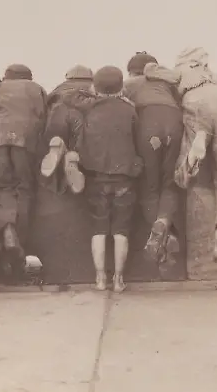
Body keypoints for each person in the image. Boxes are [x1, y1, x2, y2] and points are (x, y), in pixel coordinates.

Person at [144, 47, 217, 262]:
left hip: (196, 106)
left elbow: (150, 70)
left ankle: (194, 152)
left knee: (179, 177)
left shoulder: (183, 71)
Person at [61, 66, 142, 292]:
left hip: (95, 176)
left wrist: (92, 92)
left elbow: (68, 96)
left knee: (98, 229)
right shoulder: (130, 110)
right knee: (121, 230)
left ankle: (99, 279)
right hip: (124, 177)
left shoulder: (89, 106)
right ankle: (118, 279)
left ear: (95, 86)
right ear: (121, 86)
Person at [123, 52, 184, 268]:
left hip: (149, 126)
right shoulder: (166, 83)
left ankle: (160, 234)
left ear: (131, 70)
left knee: (149, 186)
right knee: (169, 183)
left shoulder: (129, 83)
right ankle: (165, 223)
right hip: (173, 123)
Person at [0, 64, 47, 275]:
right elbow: (43, 116)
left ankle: (5, 228)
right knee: (24, 189)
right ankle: (17, 240)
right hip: (25, 141)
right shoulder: (37, 89)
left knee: (3, 187)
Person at [39, 65, 93, 195]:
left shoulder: (58, 90)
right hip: (80, 121)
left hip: (57, 118)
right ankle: (74, 160)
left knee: (54, 147)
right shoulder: (91, 89)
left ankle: (56, 183)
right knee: (78, 148)